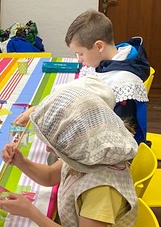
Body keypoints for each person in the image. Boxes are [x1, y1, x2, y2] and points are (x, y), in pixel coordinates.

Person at [0, 77, 139, 227]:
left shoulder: (102, 188)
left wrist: (32, 212)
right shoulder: (86, 152)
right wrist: (21, 161)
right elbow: (50, 176)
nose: (49, 151)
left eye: (53, 146)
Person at [15, 9, 150, 144]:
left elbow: (118, 136)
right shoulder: (105, 61)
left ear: (99, 46)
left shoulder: (124, 83)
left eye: (81, 54)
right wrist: (38, 109)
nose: (79, 60)